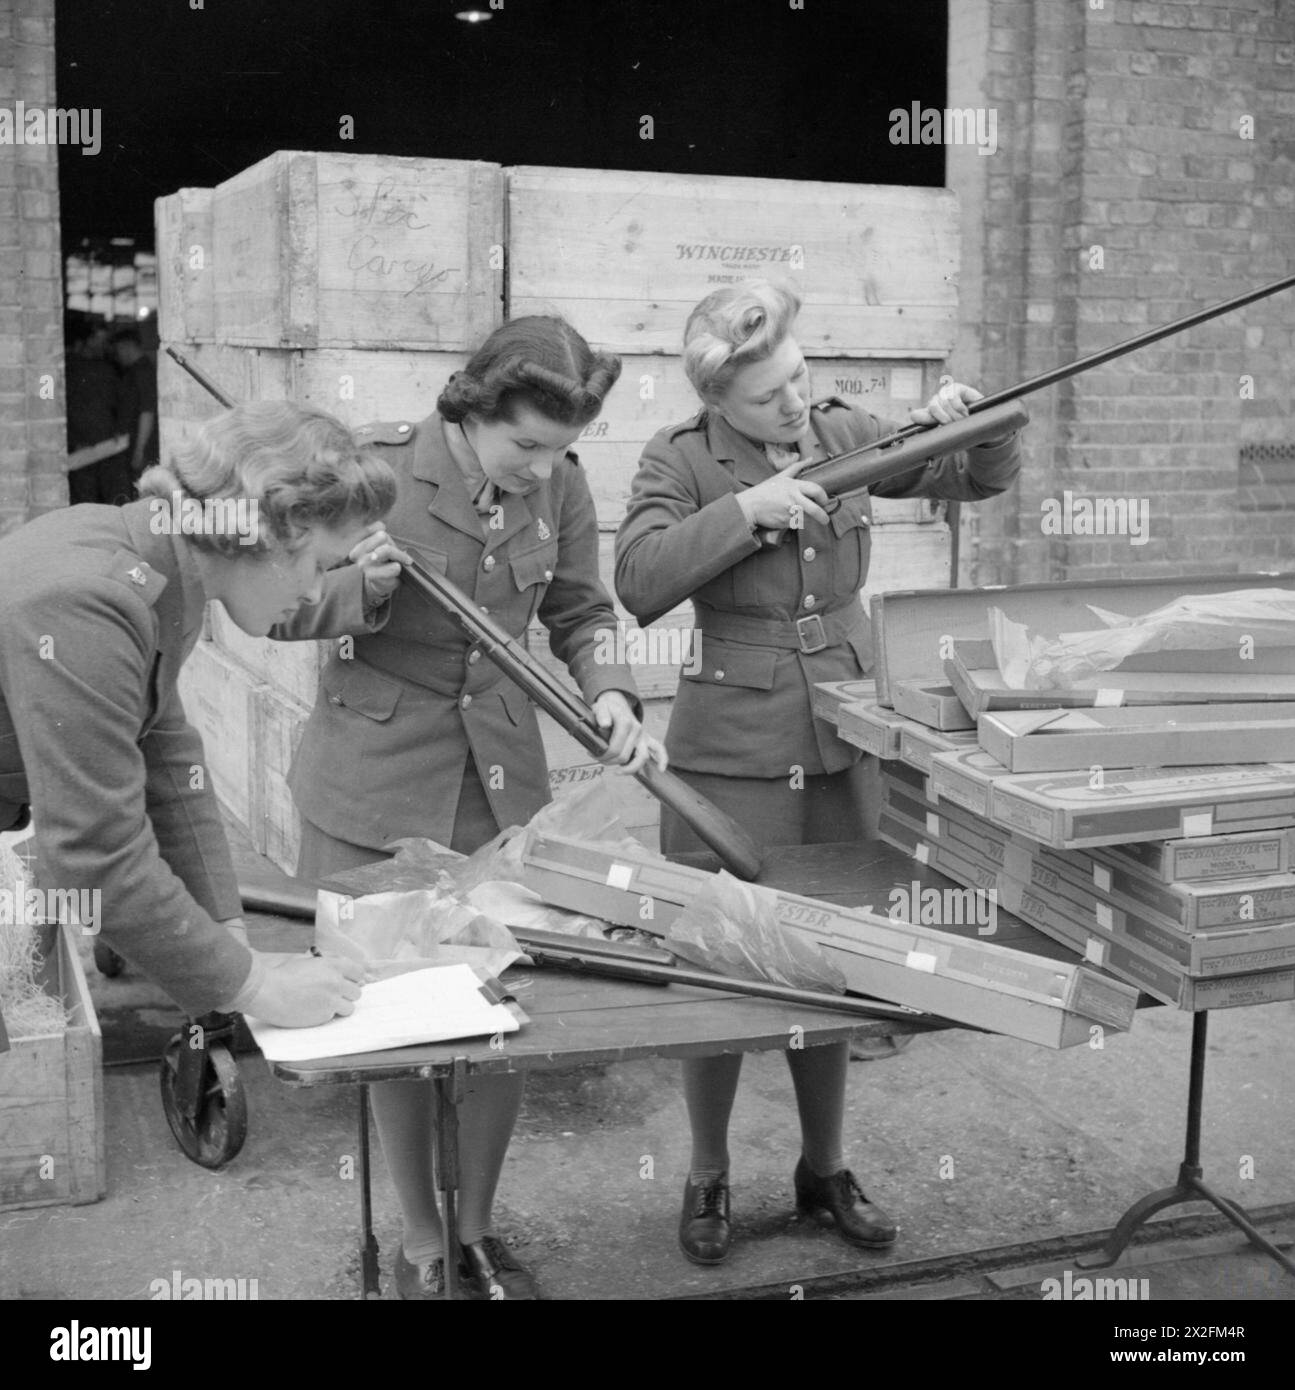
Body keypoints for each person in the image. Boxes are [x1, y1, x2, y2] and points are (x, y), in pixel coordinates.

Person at [614, 279, 1023, 1265]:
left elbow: (969, 478)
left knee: (831, 956)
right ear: (717, 403)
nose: (792, 404)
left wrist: (968, 425)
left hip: (841, 732)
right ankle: (707, 1169)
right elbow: (636, 578)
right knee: (715, 957)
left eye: (797, 379)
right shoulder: (678, 459)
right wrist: (744, 511)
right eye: (766, 397)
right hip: (731, 749)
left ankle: (822, 1167)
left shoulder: (839, 431)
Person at [281, 315, 665, 1301]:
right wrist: (354, 586)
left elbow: (578, 608)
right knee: (401, 1028)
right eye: (524, 445)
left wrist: (613, 691)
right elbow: (276, 602)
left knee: (499, 1018)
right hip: (371, 786)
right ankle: (420, 1240)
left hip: (493, 791)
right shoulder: (372, 473)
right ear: (471, 411)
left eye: (559, 448)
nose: (542, 468)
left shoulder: (562, 484)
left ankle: (477, 1230)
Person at [0, 401, 397, 1030]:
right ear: (270, 532)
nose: (319, 593)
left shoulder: (149, 560)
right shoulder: (89, 602)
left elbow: (165, 751)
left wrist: (228, 938)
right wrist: (256, 986)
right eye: (320, 565)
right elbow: (93, 855)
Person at [65, 318, 130, 507]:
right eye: (99, 340)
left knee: (88, 502)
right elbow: (46, 398)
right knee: (111, 500)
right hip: (99, 446)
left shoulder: (66, 369)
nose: (104, 346)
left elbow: (46, 399)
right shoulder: (105, 370)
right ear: (83, 342)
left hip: (92, 446)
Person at [111, 326, 159, 491]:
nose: (117, 356)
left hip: (143, 446)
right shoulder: (135, 371)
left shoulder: (143, 372)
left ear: (127, 346)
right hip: (133, 444)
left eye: (118, 350)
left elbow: (147, 412)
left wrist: (140, 449)